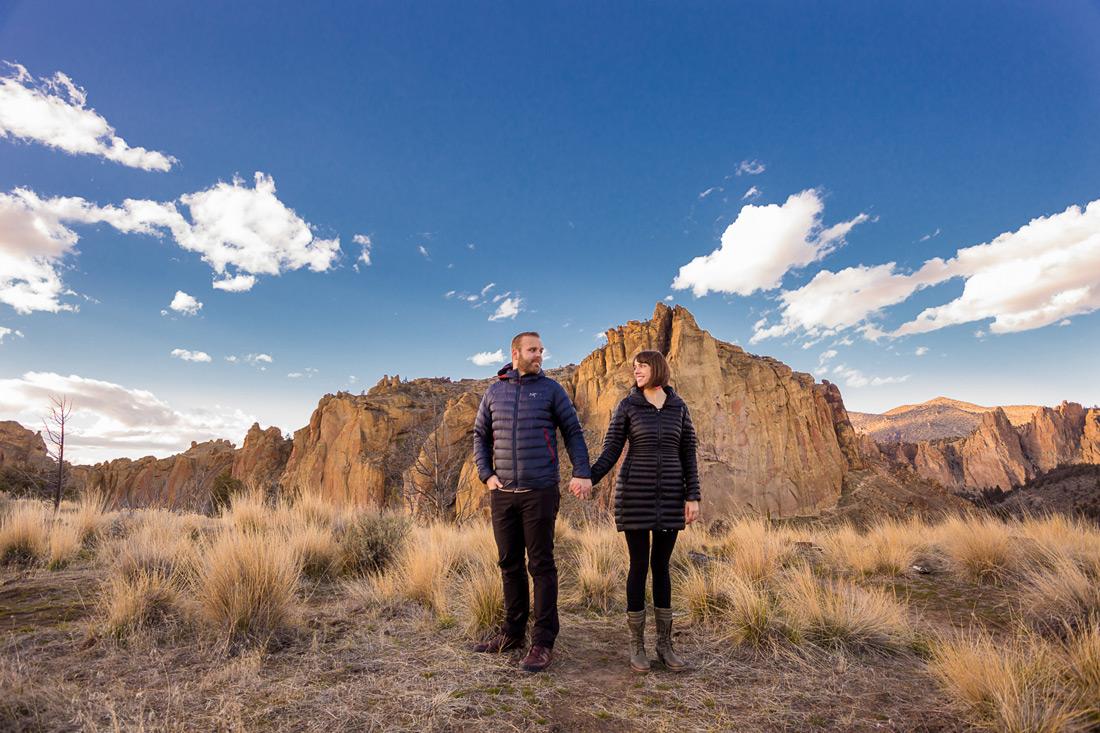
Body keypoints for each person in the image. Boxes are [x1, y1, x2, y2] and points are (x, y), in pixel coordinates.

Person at [472, 331, 592, 673]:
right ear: (515, 353)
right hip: (503, 494)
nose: (539, 355)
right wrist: (487, 475)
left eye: (541, 349)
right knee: (509, 564)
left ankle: (542, 642)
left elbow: (573, 432)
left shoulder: (551, 390)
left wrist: (581, 472)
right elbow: (480, 435)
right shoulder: (494, 392)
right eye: (533, 350)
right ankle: (512, 633)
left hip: (540, 491)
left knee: (541, 566)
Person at [587, 350, 700, 673]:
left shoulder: (678, 407)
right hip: (634, 494)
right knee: (639, 566)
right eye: (634, 366)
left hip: (670, 496)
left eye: (643, 365)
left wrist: (692, 496)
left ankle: (665, 645)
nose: (636, 370)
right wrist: (588, 478)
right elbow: (611, 449)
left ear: (658, 369)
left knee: (662, 566)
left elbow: (688, 453)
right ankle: (637, 646)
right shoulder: (628, 406)